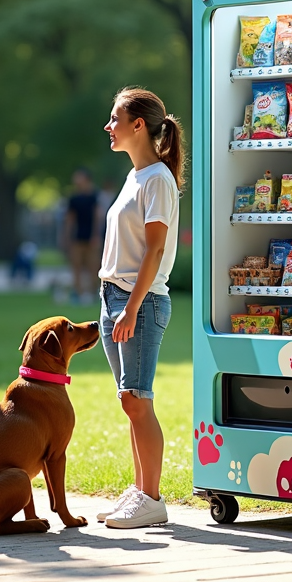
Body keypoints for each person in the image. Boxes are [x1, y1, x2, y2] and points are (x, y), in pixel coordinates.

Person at [96, 87, 183, 529]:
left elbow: (154, 251)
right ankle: (139, 490)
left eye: (115, 119)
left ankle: (152, 498)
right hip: (116, 298)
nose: (108, 127)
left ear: (138, 126)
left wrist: (130, 309)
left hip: (140, 302)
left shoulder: (158, 180)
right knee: (130, 400)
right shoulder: (137, 176)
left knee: (139, 399)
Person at [64, 168, 101, 302]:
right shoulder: (73, 198)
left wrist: (96, 235)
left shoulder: (94, 197)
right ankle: (78, 293)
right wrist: (67, 237)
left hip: (91, 237)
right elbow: (70, 219)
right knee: (76, 266)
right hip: (77, 237)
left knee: (93, 266)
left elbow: (97, 218)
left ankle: (93, 292)